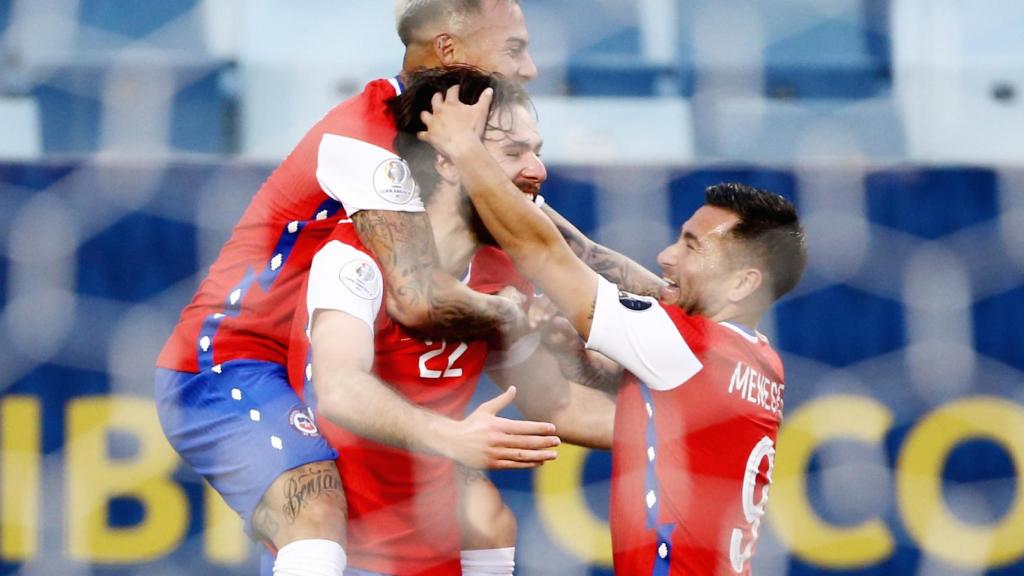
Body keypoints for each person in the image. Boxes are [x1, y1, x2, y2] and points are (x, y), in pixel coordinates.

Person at [419, 85, 809, 575]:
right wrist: (515, 337)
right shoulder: (758, 362)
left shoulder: (689, 344)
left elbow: (544, 254)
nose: (667, 256)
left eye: (691, 246)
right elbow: (560, 409)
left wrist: (464, 149)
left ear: (743, 283)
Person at [287, 67, 616, 576]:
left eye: (538, 151)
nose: (538, 171)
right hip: (337, 536)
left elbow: (557, 403)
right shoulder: (353, 253)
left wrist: (683, 428)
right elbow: (340, 387)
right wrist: (453, 438)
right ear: (447, 160)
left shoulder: (505, 271)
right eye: (514, 153)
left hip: (431, 530)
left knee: (491, 518)